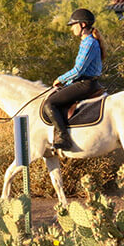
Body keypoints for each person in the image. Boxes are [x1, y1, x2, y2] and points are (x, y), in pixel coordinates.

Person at [44, 8, 106, 150]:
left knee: (50, 103)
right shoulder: (87, 42)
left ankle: (63, 137)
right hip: (85, 82)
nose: (72, 28)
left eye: (74, 25)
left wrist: (60, 79)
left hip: (86, 84)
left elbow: (78, 70)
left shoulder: (89, 43)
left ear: (83, 25)